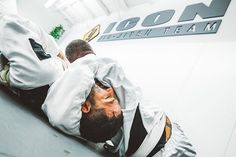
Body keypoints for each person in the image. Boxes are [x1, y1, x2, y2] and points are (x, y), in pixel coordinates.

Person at [42, 39, 196, 156]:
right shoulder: (76, 110)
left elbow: (86, 67)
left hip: (169, 143)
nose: (109, 91)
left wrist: (76, 65)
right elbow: (58, 115)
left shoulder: (109, 73)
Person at [0, 12, 68, 107]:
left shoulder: (13, 21)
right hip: (45, 78)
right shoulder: (20, 22)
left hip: (25, 83)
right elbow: (57, 52)